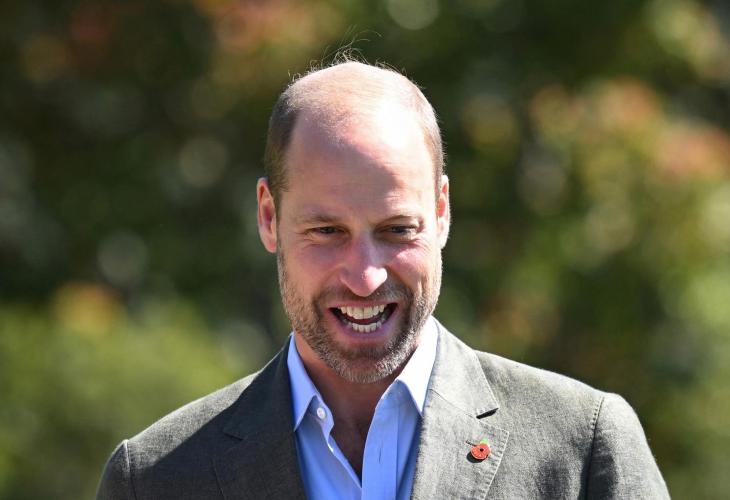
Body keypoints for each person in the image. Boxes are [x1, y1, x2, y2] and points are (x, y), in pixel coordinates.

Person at [96, 60, 669, 499]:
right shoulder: (155, 479)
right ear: (269, 217)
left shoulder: (582, 449)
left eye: (396, 230)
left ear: (441, 212)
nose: (366, 278)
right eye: (327, 231)